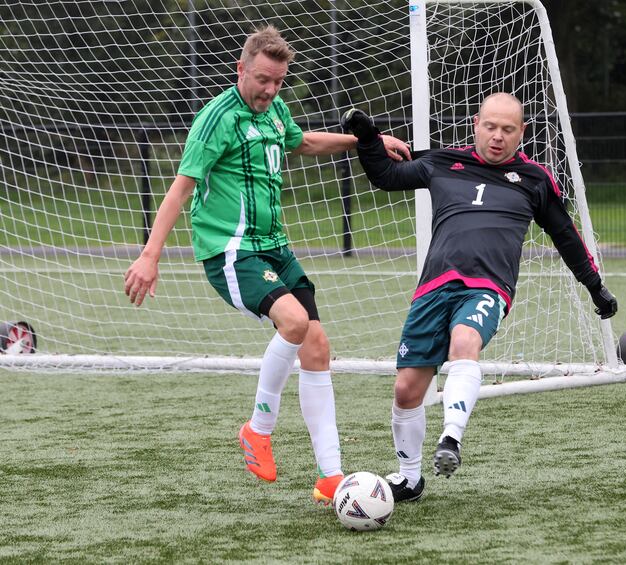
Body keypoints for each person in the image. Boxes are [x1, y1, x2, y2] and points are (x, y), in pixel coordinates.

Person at [123, 25, 410, 506]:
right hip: (230, 251)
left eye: (278, 81)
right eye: (262, 79)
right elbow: (180, 189)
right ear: (241, 69)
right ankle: (258, 429)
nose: (270, 90)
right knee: (296, 323)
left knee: (317, 345)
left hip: (275, 247)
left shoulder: (275, 108)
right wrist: (150, 255)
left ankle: (331, 478)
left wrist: (367, 142)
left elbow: (301, 142)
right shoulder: (216, 119)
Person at [340, 93, 617, 502]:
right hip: (433, 289)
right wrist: (367, 137)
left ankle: (451, 439)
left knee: (464, 343)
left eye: (508, 130)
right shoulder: (442, 163)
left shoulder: (535, 179)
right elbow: (386, 176)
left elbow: (566, 237)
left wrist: (595, 285)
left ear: (522, 132)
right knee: (406, 391)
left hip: (487, 286)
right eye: (491, 127)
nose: (498, 137)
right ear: (475, 124)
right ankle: (410, 478)